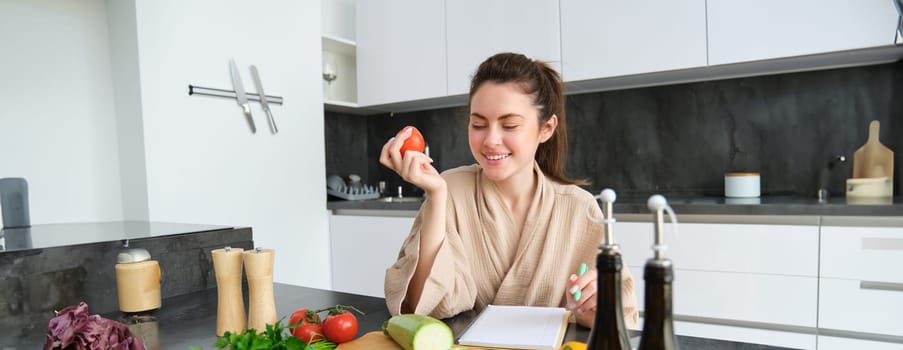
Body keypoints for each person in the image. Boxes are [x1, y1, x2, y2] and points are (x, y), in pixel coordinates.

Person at [380, 52, 638, 328]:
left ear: (546, 128)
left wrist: (592, 312)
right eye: (478, 124)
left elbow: (620, 319)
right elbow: (419, 307)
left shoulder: (579, 208)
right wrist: (436, 196)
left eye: (509, 125)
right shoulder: (450, 189)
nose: (490, 140)